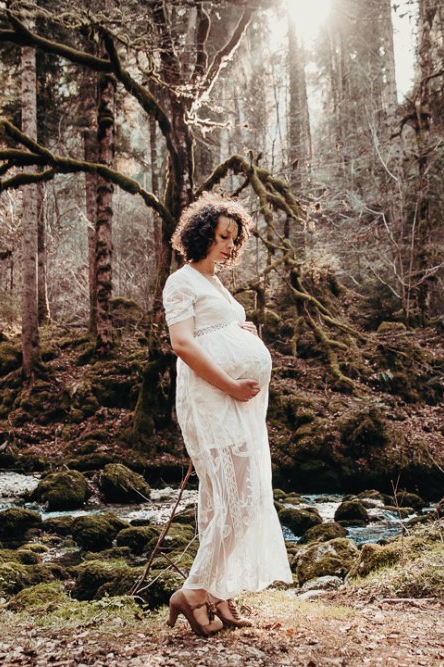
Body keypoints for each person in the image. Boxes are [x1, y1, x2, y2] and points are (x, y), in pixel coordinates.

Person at [162, 192, 292, 637]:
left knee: (225, 500)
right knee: (239, 498)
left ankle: (219, 592)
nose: (229, 245)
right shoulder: (181, 282)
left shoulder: (216, 283)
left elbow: (213, 329)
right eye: (222, 236)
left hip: (239, 405)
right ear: (201, 234)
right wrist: (232, 383)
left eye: (234, 239)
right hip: (210, 401)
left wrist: (243, 333)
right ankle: (194, 592)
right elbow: (183, 343)